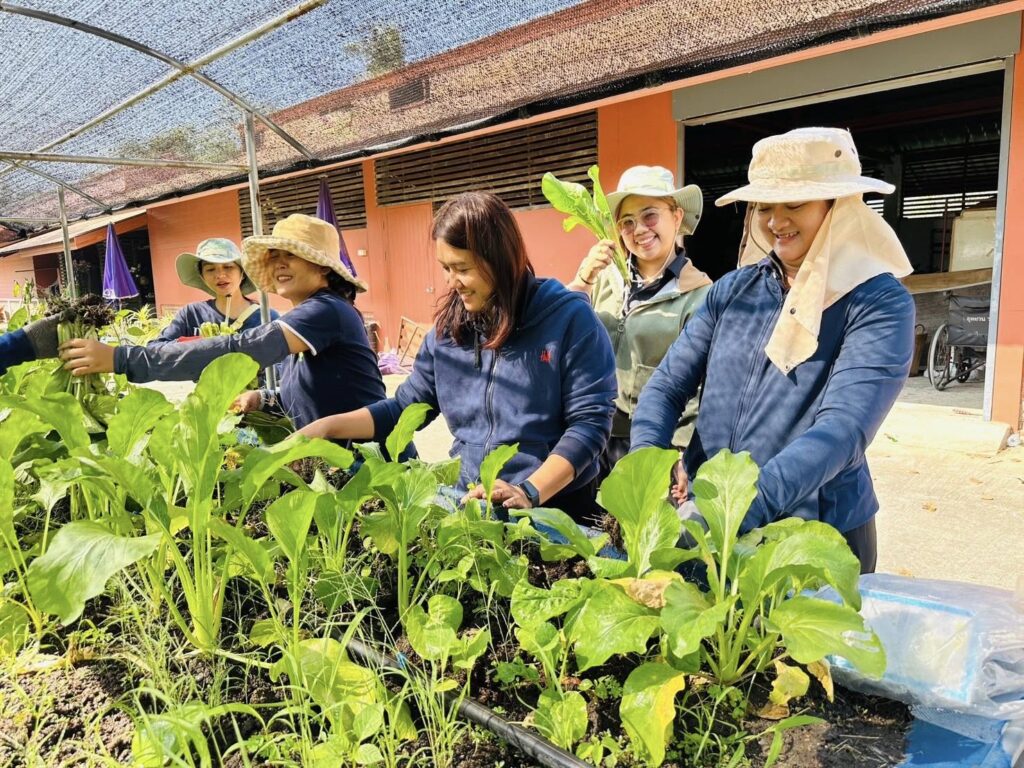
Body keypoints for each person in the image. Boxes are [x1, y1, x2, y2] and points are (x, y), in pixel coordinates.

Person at [630, 127, 915, 573]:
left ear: (838, 205)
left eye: (794, 204)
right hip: (712, 521)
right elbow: (667, 386)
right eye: (764, 207)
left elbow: (842, 430)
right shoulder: (734, 290)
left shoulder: (876, 303)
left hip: (814, 535)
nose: (776, 221)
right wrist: (649, 463)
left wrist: (744, 506)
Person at [296, 191, 617, 524]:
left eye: (462, 268)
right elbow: (404, 408)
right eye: (445, 268)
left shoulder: (568, 320)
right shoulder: (449, 333)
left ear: (500, 259)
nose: (452, 282)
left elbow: (589, 425)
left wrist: (529, 491)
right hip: (471, 503)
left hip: (556, 510)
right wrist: (326, 427)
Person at [58, 214, 386, 434]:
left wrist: (121, 358)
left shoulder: (326, 311)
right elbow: (313, 393)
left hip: (370, 465)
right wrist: (262, 399)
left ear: (323, 266)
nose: (279, 264)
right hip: (335, 464)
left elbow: (240, 348)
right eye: (274, 256)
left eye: (291, 255)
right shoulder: (307, 317)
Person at [566, 165, 712, 478]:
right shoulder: (603, 278)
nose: (639, 230)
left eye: (650, 216)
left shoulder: (699, 294)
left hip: (652, 441)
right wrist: (583, 280)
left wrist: (681, 452)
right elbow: (563, 331)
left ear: (676, 217)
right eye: (627, 222)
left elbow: (700, 384)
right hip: (588, 431)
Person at [154, 238, 278, 343]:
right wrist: (196, 343)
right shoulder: (191, 314)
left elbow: (281, 361)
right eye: (210, 269)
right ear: (202, 277)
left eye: (228, 267)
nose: (220, 275)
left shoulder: (267, 317)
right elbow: (157, 348)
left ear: (243, 273)